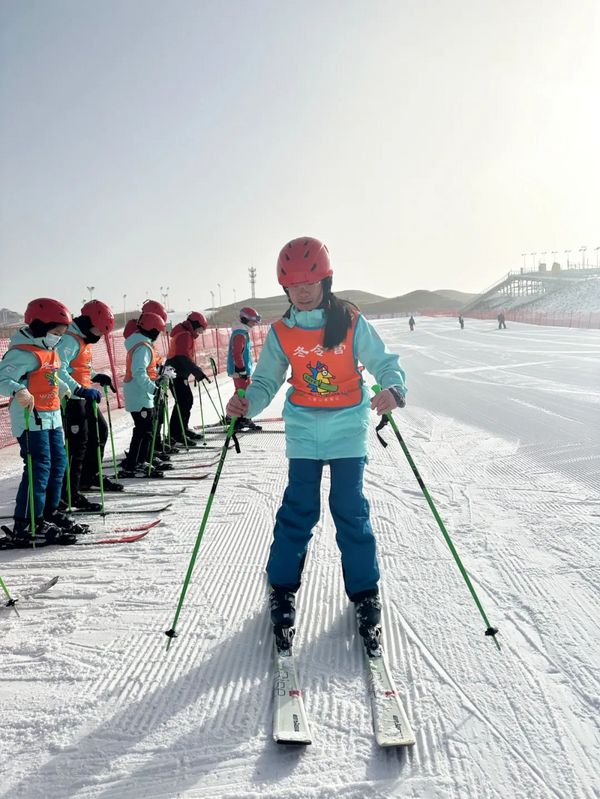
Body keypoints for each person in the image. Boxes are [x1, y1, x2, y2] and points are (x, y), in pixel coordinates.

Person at [225, 237, 407, 653]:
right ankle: (283, 588)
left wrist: (393, 388)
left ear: (326, 280)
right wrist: (247, 403)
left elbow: (382, 361)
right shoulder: (283, 331)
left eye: (311, 281)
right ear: (284, 288)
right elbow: (268, 379)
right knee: (298, 510)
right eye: (294, 284)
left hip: (347, 426)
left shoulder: (349, 320)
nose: (303, 290)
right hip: (305, 429)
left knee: (349, 509)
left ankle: (365, 593)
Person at [0, 298, 95, 547]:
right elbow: (2, 379)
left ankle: (49, 512)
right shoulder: (22, 353)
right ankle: (28, 522)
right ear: (40, 326)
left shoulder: (48, 350)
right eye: (56, 333)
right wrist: (18, 390)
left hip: (51, 416)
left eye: (62, 334)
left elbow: (54, 378)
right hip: (30, 419)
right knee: (38, 468)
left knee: (57, 463)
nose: (58, 338)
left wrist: (73, 391)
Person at [57, 300, 121, 510]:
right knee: (77, 445)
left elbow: (81, 367)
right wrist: (79, 390)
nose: (98, 335)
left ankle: (89, 476)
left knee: (99, 432)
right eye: (97, 330)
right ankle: (69, 492)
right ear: (87, 322)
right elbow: (59, 370)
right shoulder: (68, 340)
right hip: (71, 399)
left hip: (84, 397)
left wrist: (96, 376)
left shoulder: (81, 339)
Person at [118, 310, 169, 478]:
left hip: (140, 392)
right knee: (143, 429)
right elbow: (139, 371)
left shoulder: (142, 344)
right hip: (139, 393)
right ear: (153, 329)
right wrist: (152, 388)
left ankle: (138, 461)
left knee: (145, 429)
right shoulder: (143, 348)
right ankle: (136, 463)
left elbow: (147, 370)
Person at [165, 311, 210, 445]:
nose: (199, 333)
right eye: (200, 329)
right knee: (184, 401)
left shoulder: (185, 333)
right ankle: (176, 434)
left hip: (178, 373)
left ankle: (181, 430)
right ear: (195, 324)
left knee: (185, 401)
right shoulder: (185, 335)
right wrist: (197, 372)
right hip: (175, 373)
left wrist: (195, 371)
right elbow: (182, 357)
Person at [226, 305, 263, 431]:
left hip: (243, 370)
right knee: (242, 394)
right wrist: (241, 369)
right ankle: (236, 419)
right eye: (253, 320)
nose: (255, 323)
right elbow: (236, 353)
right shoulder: (240, 334)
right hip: (239, 371)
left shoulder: (243, 332)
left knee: (244, 393)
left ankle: (242, 418)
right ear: (246, 319)